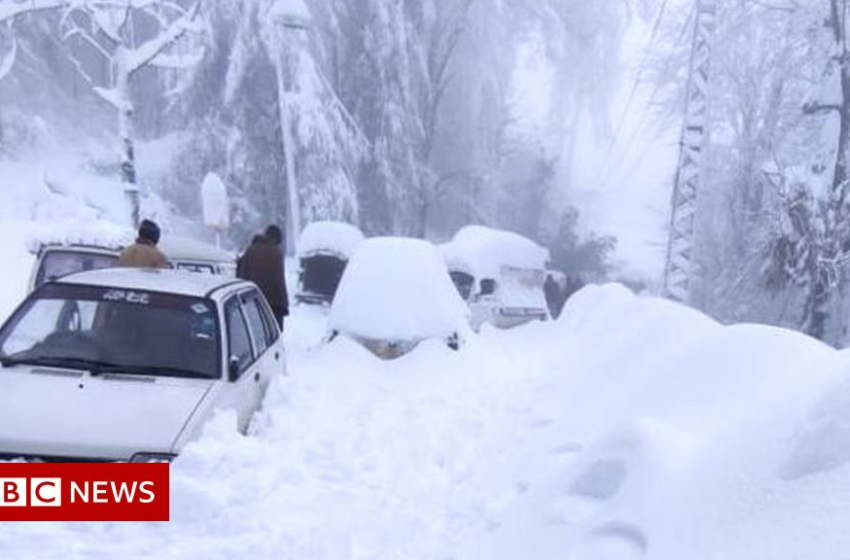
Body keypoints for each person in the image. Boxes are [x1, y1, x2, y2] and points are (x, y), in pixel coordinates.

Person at [238, 225, 289, 328]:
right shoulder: (277, 253)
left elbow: (242, 274)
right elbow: (280, 281)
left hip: (251, 300)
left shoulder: (251, 249)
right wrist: (284, 304)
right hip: (273, 304)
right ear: (276, 238)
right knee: (271, 333)